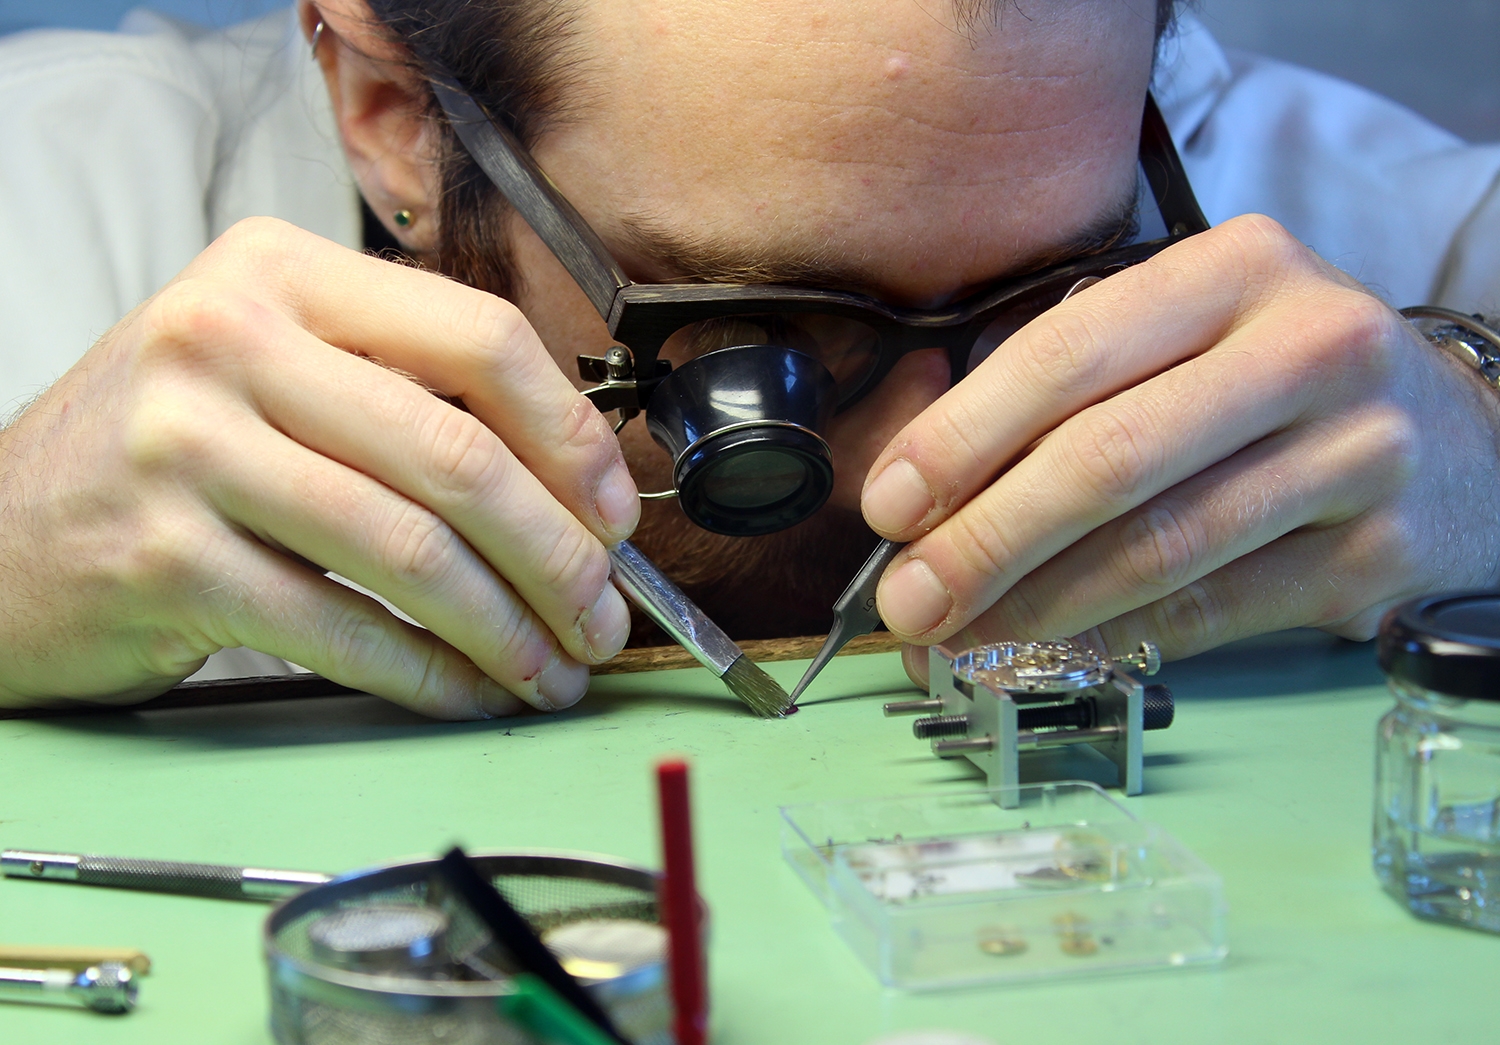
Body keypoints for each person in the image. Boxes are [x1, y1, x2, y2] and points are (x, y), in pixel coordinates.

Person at [1, 0, 1497, 716]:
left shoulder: (1253, 186)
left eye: (1049, 299)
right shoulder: (50, 197)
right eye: (760, 334)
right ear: (397, 114)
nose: (930, 475)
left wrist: (1479, 430)